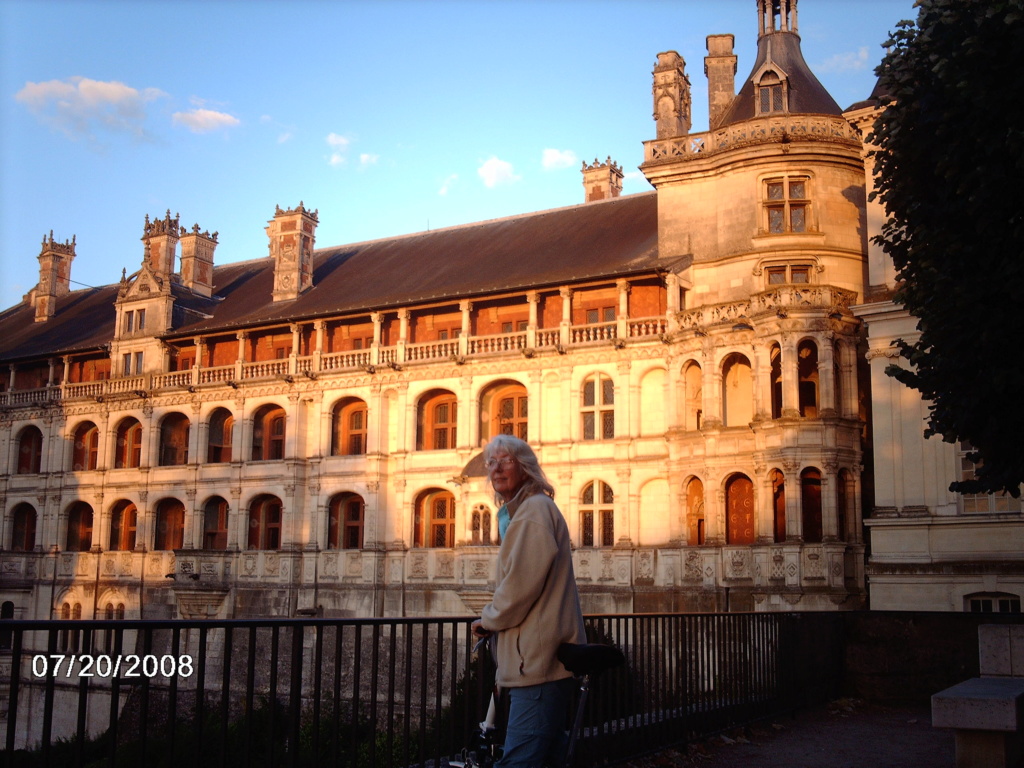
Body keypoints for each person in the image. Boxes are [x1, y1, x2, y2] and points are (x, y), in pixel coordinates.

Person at [471, 435, 586, 768]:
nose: (496, 469)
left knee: (520, 759)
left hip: (536, 664)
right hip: (538, 658)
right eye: (491, 462)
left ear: (526, 467)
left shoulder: (532, 512)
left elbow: (520, 586)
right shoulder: (528, 511)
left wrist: (489, 619)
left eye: (506, 460)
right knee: (548, 755)